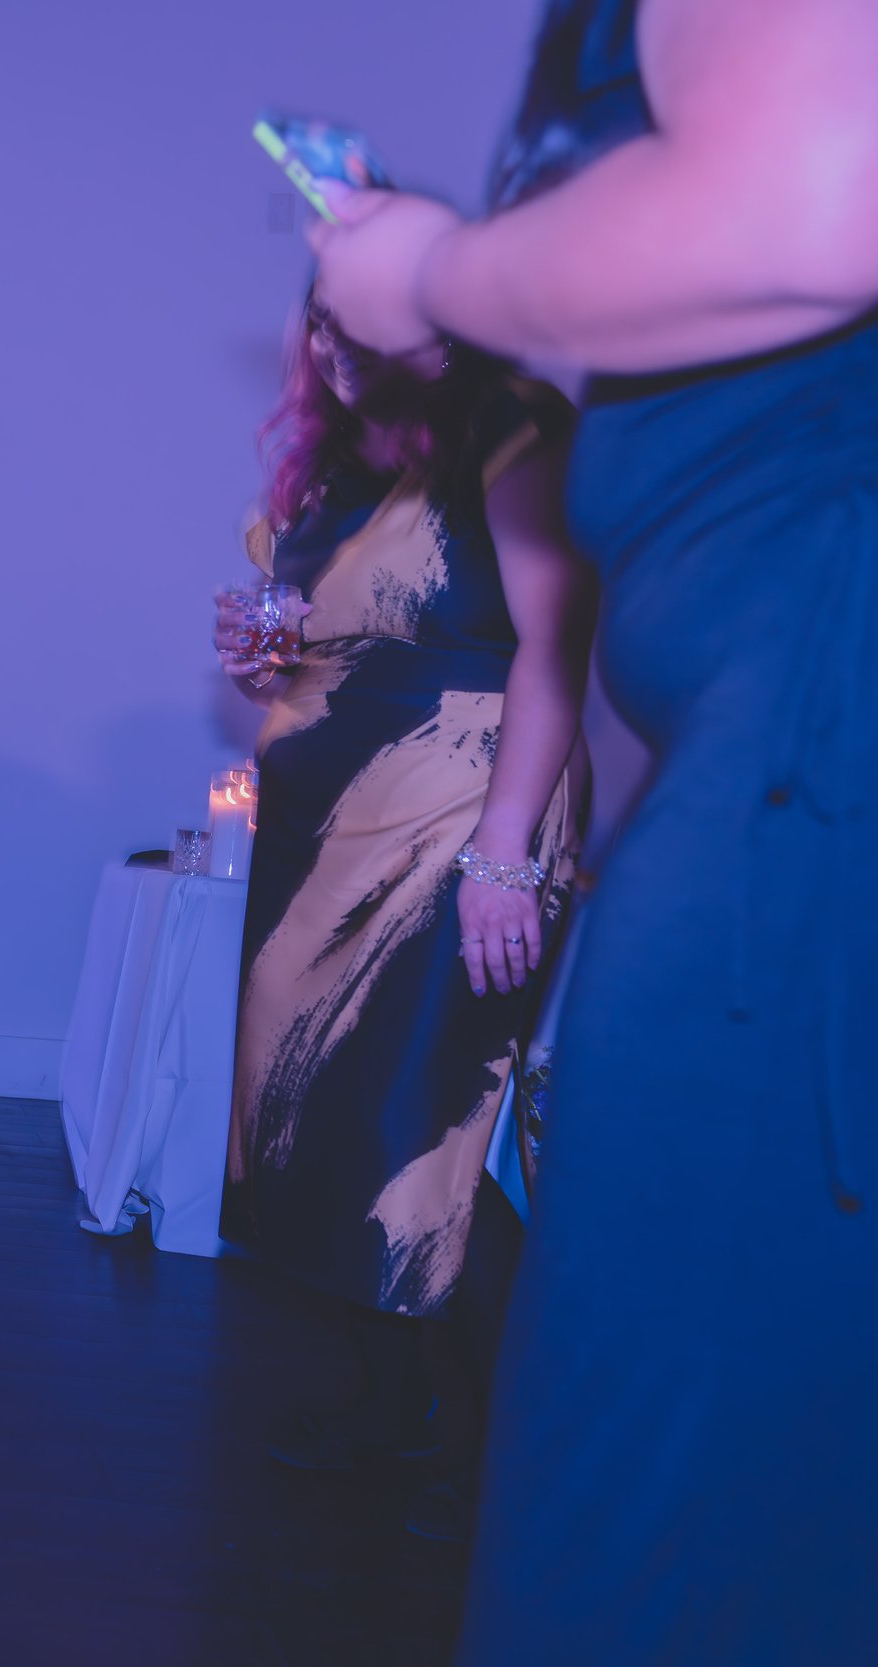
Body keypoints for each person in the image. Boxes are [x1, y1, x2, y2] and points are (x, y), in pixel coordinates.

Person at [305, 1, 878, 1658]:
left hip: (820, 744)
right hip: (764, 742)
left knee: (651, 1492)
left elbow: (807, 205)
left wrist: (431, 269)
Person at [214, 285, 593, 1538]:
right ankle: (392, 1402)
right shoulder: (323, 463)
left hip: (467, 804)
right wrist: (263, 657)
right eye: (315, 322)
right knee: (319, 1118)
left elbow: (554, 643)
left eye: (359, 317)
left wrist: (503, 855)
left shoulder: (510, 422)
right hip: (323, 826)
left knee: (415, 1124)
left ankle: (518, 1456)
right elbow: (333, 637)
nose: (330, 343)